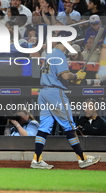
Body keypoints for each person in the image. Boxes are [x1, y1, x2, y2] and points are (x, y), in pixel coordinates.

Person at [31, 31, 100, 169]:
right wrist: (76, 76)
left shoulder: (50, 54)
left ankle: (36, 159)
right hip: (55, 93)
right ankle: (82, 158)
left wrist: (76, 77)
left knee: (44, 127)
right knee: (69, 126)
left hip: (44, 92)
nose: (71, 43)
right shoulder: (58, 55)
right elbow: (65, 76)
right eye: (69, 40)